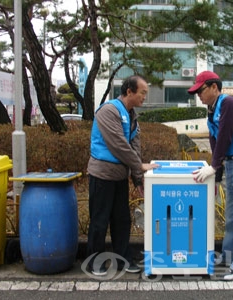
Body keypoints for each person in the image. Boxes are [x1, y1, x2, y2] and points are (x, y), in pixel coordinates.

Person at [188, 71, 233, 281]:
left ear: (214, 87)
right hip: (231, 164)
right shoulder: (211, 111)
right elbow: (215, 145)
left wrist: (212, 168)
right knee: (231, 217)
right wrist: (216, 177)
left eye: (200, 91)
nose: (198, 96)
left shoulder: (228, 103)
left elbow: (225, 138)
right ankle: (229, 257)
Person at [86, 75, 158, 276]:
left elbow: (135, 147)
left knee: (122, 220)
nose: (145, 97)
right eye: (143, 93)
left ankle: (123, 258)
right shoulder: (108, 111)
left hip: (119, 177)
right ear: (129, 92)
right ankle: (94, 261)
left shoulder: (132, 116)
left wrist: (137, 178)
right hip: (101, 175)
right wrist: (140, 166)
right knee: (100, 220)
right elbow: (118, 145)